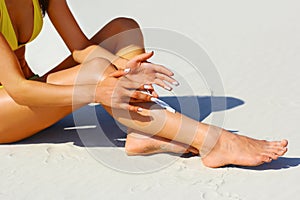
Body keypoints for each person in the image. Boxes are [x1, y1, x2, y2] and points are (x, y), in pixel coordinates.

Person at [0, 0, 288, 168]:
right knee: (95, 73)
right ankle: (214, 141)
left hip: (32, 90)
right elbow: (17, 88)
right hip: (9, 107)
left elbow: (80, 49)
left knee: (123, 30)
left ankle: (142, 131)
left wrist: (126, 69)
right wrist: (97, 89)